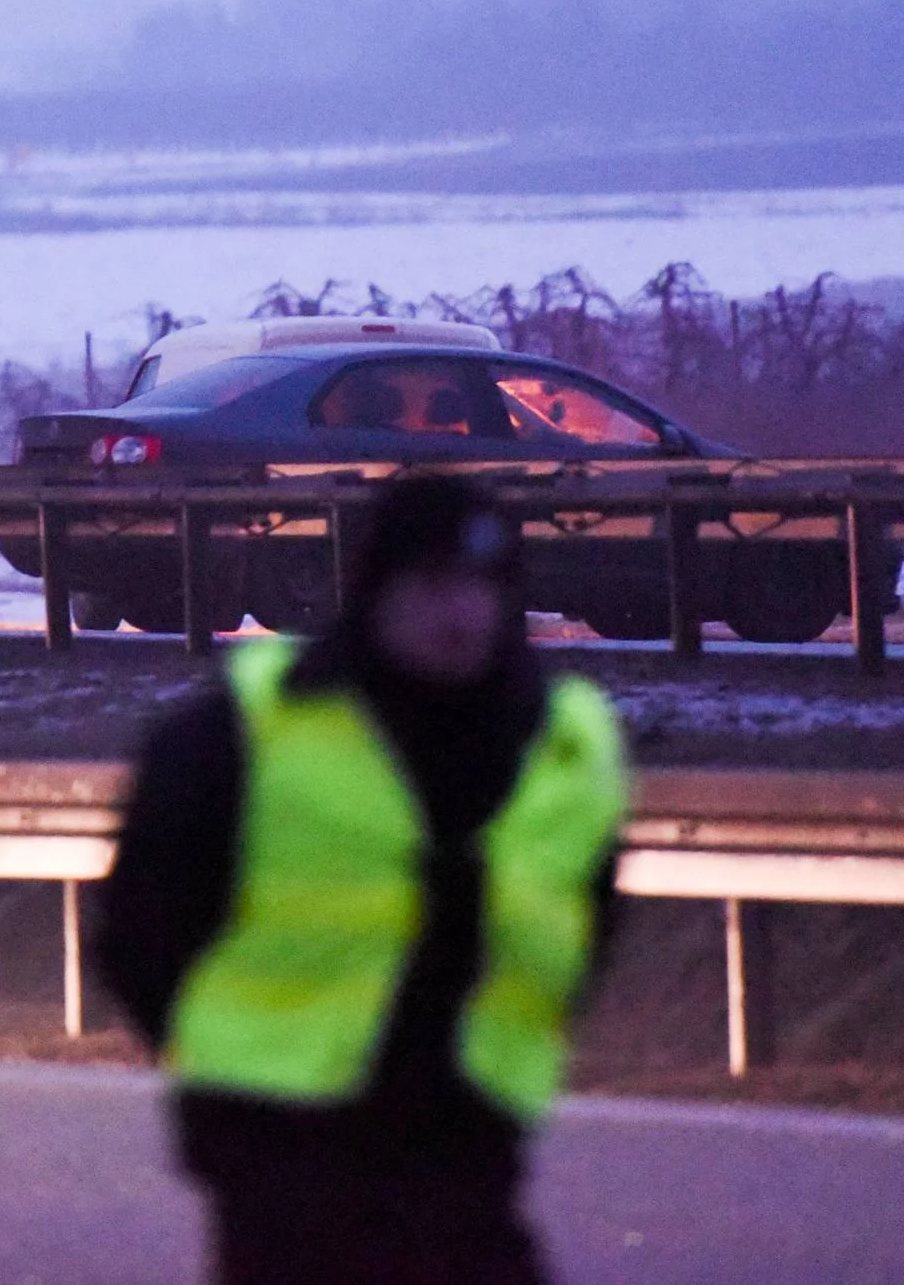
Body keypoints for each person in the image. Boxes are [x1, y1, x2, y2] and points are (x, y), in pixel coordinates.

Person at [100, 476, 628, 1285]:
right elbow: (139, 929)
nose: (461, 613)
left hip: (465, 1140)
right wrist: (222, 1058)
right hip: (281, 1145)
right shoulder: (245, 730)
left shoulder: (564, 741)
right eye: (434, 585)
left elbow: (587, 922)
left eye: (483, 586)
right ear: (377, 588)